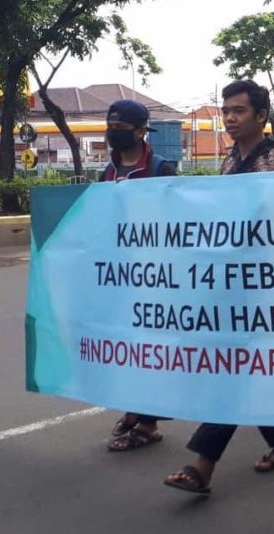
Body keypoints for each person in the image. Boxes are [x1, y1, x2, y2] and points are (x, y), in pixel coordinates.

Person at [164, 80, 274, 494]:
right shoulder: (228, 163)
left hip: (271, 291)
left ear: (262, 116)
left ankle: (203, 464)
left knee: (235, 371)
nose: (229, 118)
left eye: (238, 111)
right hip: (230, 287)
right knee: (248, 369)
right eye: (226, 110)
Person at [99, 99, 176, 452]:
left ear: (142, 131)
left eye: (121, 127)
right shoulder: (108, 172)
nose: (114, 132)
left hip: (155, 277)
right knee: (127, 348)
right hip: (120, 277)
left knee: (151, 349)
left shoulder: (160, 170)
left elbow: (177, 223)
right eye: (110, 125)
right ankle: (136, 410)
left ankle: (146, 422)